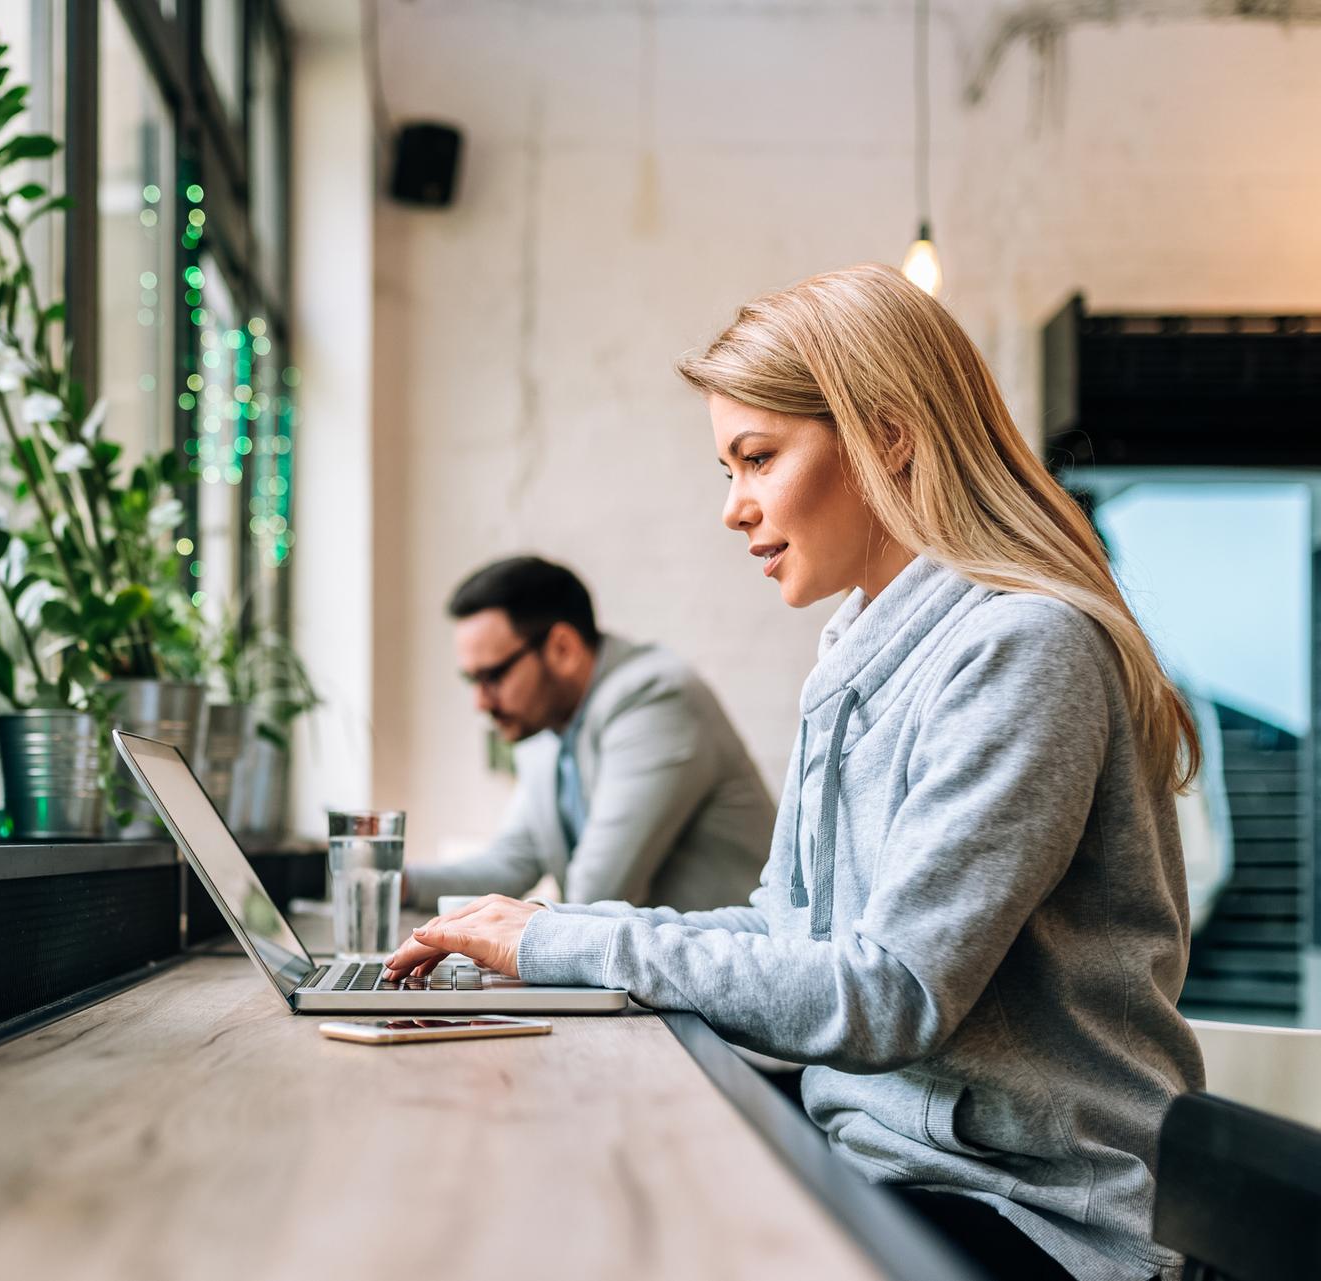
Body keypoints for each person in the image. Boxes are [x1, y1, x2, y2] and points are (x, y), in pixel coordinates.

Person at [385, 264, 1204, 1281]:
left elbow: (893, 992)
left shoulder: (1024, 647)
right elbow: (786, 929)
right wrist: (540, 937)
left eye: (758, 459)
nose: (735, 508)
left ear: (887, 436)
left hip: (1028, 1215)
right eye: (729, 469)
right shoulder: (857, 649)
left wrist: (560, 940)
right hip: (881, 1162)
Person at [400, 556, 773, 913]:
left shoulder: (654, 700)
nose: (480, 703)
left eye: (493, 677)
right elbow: (509, 866)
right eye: (471, 680)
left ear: (563, 648)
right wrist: (392, 882)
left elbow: (599, 895)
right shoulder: (546, 729)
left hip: (731, 969)